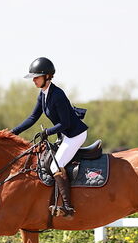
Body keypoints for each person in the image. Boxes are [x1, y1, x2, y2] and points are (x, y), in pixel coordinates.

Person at [11, 57, 88, 218]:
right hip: (65, 134)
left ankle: (68, 207)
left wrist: (48, 132)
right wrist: (12, 133)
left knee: (55, 166)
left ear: (47, 76)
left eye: (36, 77)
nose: (34, 81)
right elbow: (32, 118)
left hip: (74, 135)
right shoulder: (43, 94)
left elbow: (66, 124)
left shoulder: (57, 94)